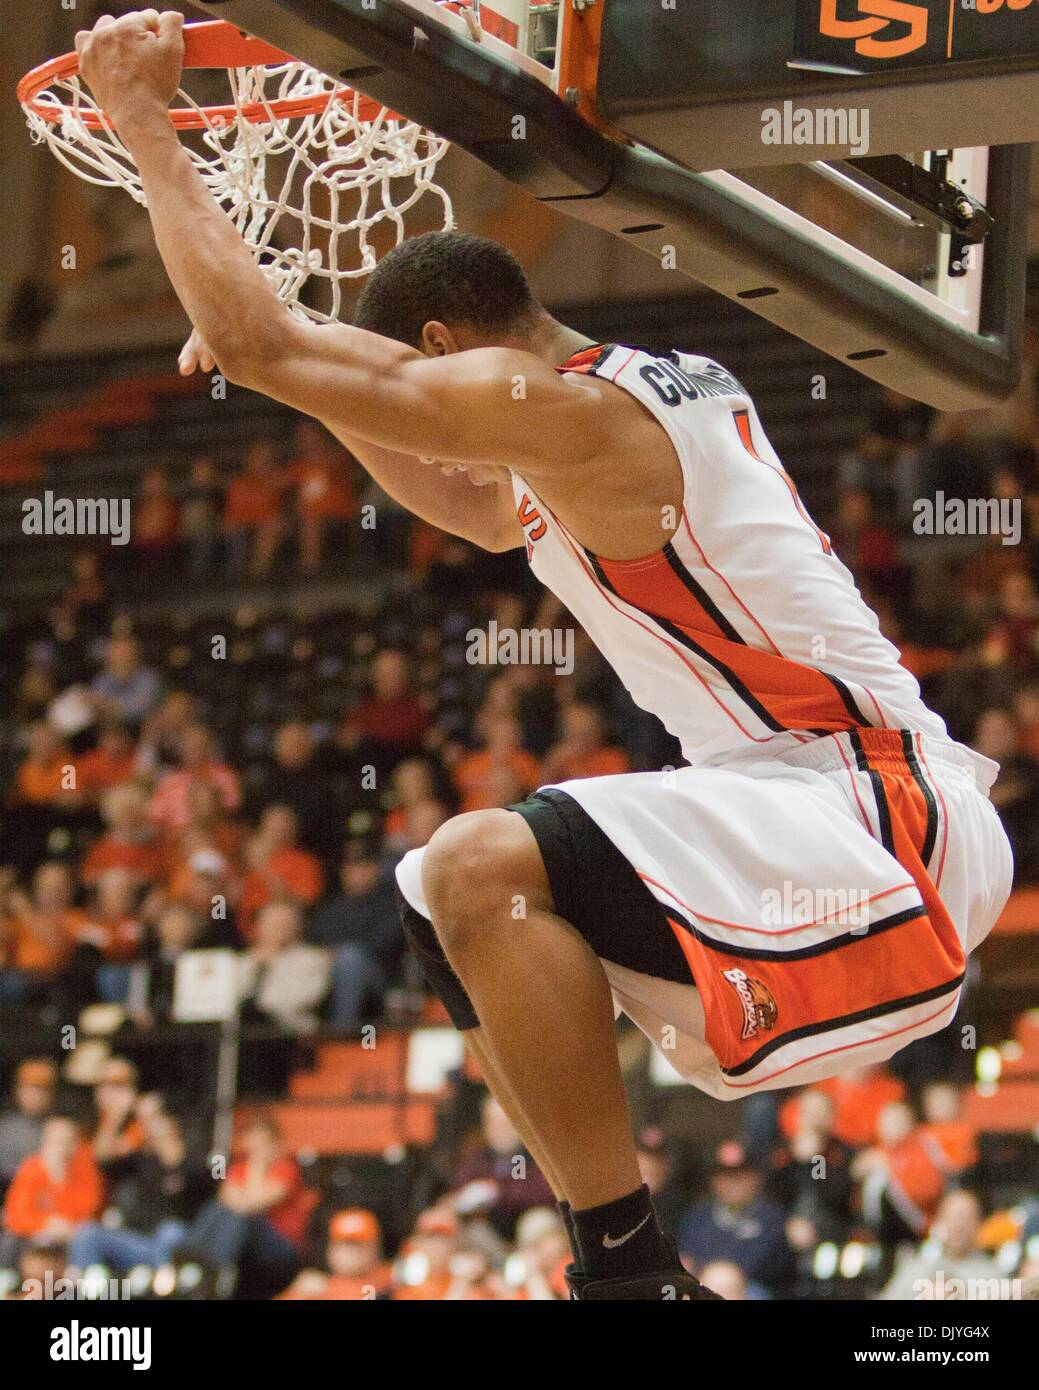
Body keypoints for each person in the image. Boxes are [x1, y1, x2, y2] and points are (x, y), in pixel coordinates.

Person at [80, 10, 1015, 1299]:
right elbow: (455, 495)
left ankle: (625, 1272)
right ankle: (632, 1265)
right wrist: (311, 375)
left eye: (428, 392)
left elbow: (265, 351)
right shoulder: (629, 407)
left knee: (476, 857)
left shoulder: (582, 418)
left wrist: (143, 122)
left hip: (880, 812)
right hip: (810, 798)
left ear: (452, 355)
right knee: (441, 892)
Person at [879, 1189, 1003, 1300]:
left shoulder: (994, 1279)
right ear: (938, 1221)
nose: (958, 1225)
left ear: (978, 1224)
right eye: (952, 1217)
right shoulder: (914, 1268)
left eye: (966, 1218)